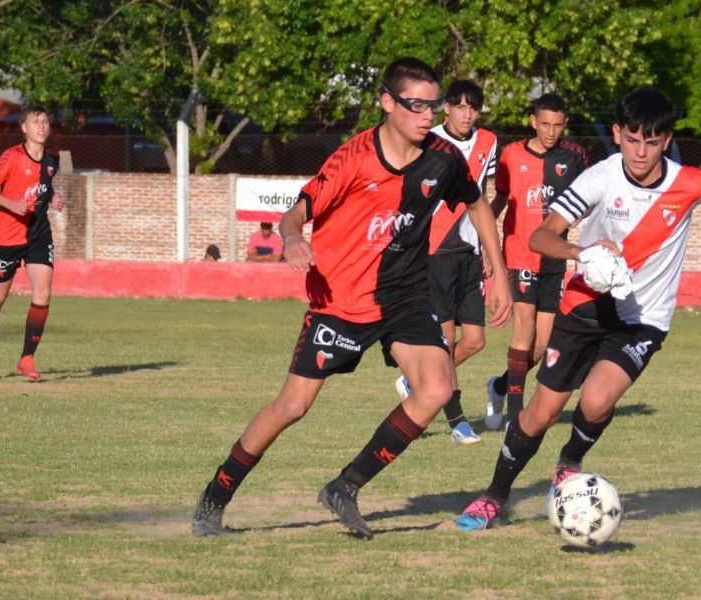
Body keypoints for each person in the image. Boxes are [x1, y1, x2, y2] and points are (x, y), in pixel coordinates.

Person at [191, 57, 512, 539]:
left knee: (438, 388)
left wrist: (500, 270)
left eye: (434, 105)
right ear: (387, 103)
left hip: (404, 296)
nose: (428, 115)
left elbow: (476, 201)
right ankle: (215, 495)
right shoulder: (352, 159)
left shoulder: (445, 158)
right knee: (292, 407)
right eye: (417, 105)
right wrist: (294, 238)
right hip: (340, 302)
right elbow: (295, 213)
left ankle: (345, 487)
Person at [455, 87, 701, 531]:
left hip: (642, 320)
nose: (641, 152)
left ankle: (570, 462)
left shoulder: (689, 181)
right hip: (583, 306)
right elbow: (543, 237)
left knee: (597, 401)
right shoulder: (599, 178)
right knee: (539, 414)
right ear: (617, 134)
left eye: (652, 142)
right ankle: (493, 496)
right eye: (632, 139)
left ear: (667, 139)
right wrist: (583, 252)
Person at [394, 79, 498, 445]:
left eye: (473, 107)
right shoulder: (429, 141)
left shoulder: (489, 142)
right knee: (446, 338)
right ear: (447, 108)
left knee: (475, 340)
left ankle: (418, 381)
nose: (466, 113)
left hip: (468, 252)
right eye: (459, 106)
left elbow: (482, 194)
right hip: (434, 252)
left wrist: (487, 246)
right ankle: (457, 421)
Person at [484, 94, 588, 431]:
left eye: (557, 125)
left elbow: (588, 199)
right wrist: (486, 245)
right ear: (532, 121)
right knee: (523, 325)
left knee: (542, 345)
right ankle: (516, 414)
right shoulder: (512, 155)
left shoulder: (575, 157)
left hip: (554, 259)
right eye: (544, 124)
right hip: (519, 254)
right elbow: (498, 199)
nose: (551, 131)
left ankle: (499, 387)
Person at [0, 104, 64, 382]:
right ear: (24, 128)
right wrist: (10, 203)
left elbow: (45, 187)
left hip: (38, 233)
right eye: (35, 122)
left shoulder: (52, 159)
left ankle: (27, 358)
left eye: (45, 121)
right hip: (8, 236)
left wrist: (54, 199)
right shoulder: (11, 157)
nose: (42, 126)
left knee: (43, 292)